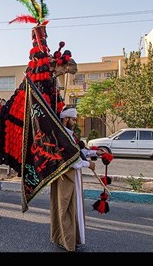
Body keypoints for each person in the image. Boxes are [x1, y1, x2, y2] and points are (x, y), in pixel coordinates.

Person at [50, 107, 104, 252]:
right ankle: (66, 240)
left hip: (74, 177)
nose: (75, 122)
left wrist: (94, 152)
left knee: (74, 208)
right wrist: (88, 164)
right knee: (65, 208)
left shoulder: (70, 135)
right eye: (73, 119)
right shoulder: (60, 135)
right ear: (65, 119)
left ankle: (74, 239)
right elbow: (69, 160)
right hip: (65, 178)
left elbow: (79, 151)